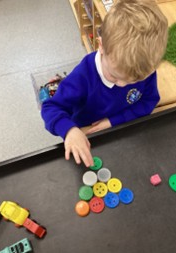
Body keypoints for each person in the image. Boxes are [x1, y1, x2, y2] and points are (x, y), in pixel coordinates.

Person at [41, 0, 168, 168]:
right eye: (115, 77)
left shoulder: (144, 70)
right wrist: (70, 131)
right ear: (101, 46)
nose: (122, 85)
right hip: (86, 135)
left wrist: (112, 121)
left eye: (134, 81)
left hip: (120, 131)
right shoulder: (84, 75)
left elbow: (149, 101)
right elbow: (50, 108)